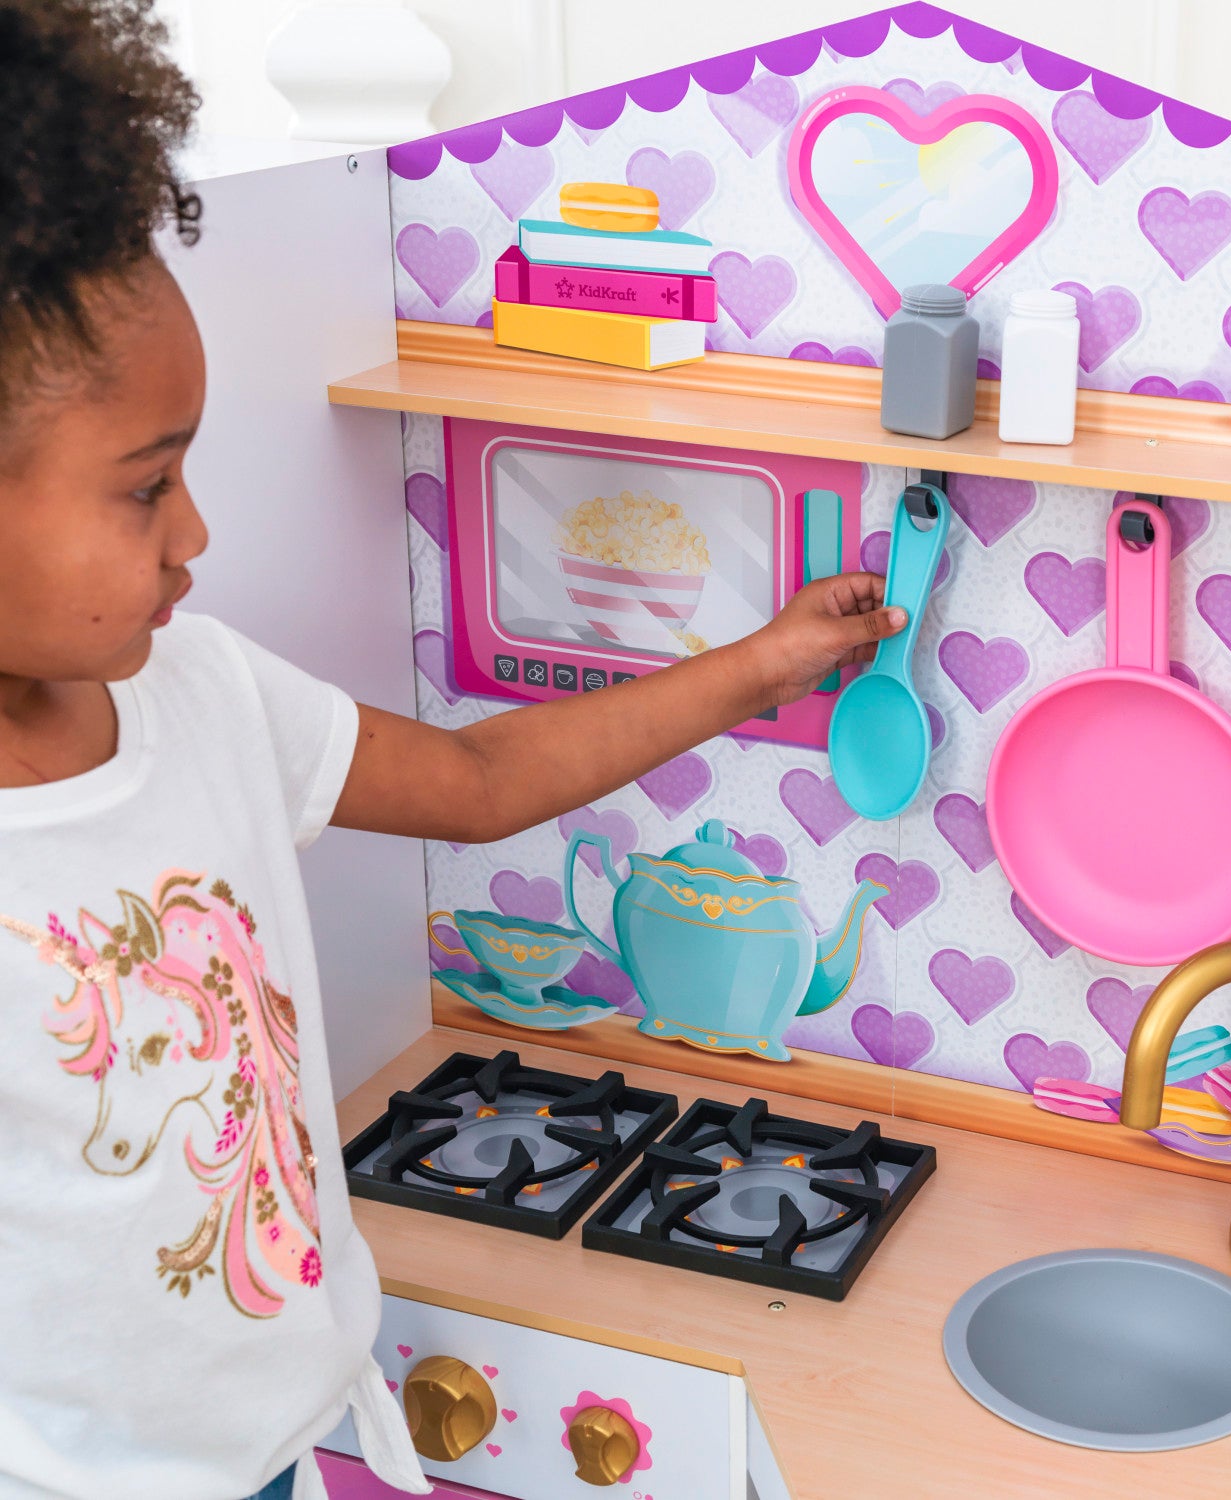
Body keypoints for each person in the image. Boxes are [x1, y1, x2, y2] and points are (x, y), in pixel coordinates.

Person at [0, 4, 906, 1498]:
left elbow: (480, 786)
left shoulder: (202, 691)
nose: (198, 535)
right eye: (146, 489)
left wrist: (765, 664)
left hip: (284, 1443)